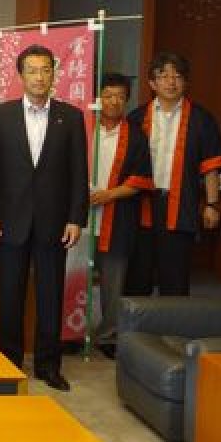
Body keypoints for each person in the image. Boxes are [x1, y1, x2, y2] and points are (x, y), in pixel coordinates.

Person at [0, 44, 88, 392]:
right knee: (9, 295)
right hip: (9, 220)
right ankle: (9, 362)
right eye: (32, 70)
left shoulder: (70, 117)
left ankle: (48, 365)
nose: (39, 77)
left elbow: (78, 172)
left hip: (54, 222)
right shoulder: (0, 116)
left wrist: (76, 217)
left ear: (54, 74)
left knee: (50, 296)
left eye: (45, 70)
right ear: (20, 75)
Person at [127, 52, 221, 296]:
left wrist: (212, 204)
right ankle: (135, 320)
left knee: (174, 275)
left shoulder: (201, 119)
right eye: (163, 76)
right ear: (152, 83)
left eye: (177, 76)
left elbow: (211, 165)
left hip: (180, 203)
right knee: (137, 274)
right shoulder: (137, 118)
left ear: (186, 82)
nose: (171, 82)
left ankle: (172, 320)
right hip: (140, 204)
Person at [88, 73, 153, 359]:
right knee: (74, 278)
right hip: (80, 218)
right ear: (98, 98)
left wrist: (108, 195)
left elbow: (141, 180)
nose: (113, 102)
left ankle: (108, 335)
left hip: (117, 216)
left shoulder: (136, 136)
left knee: (113, 281)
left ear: (126, 100)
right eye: (108, 95)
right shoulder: (83, 129)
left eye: (120, 97)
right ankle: (71, 334)